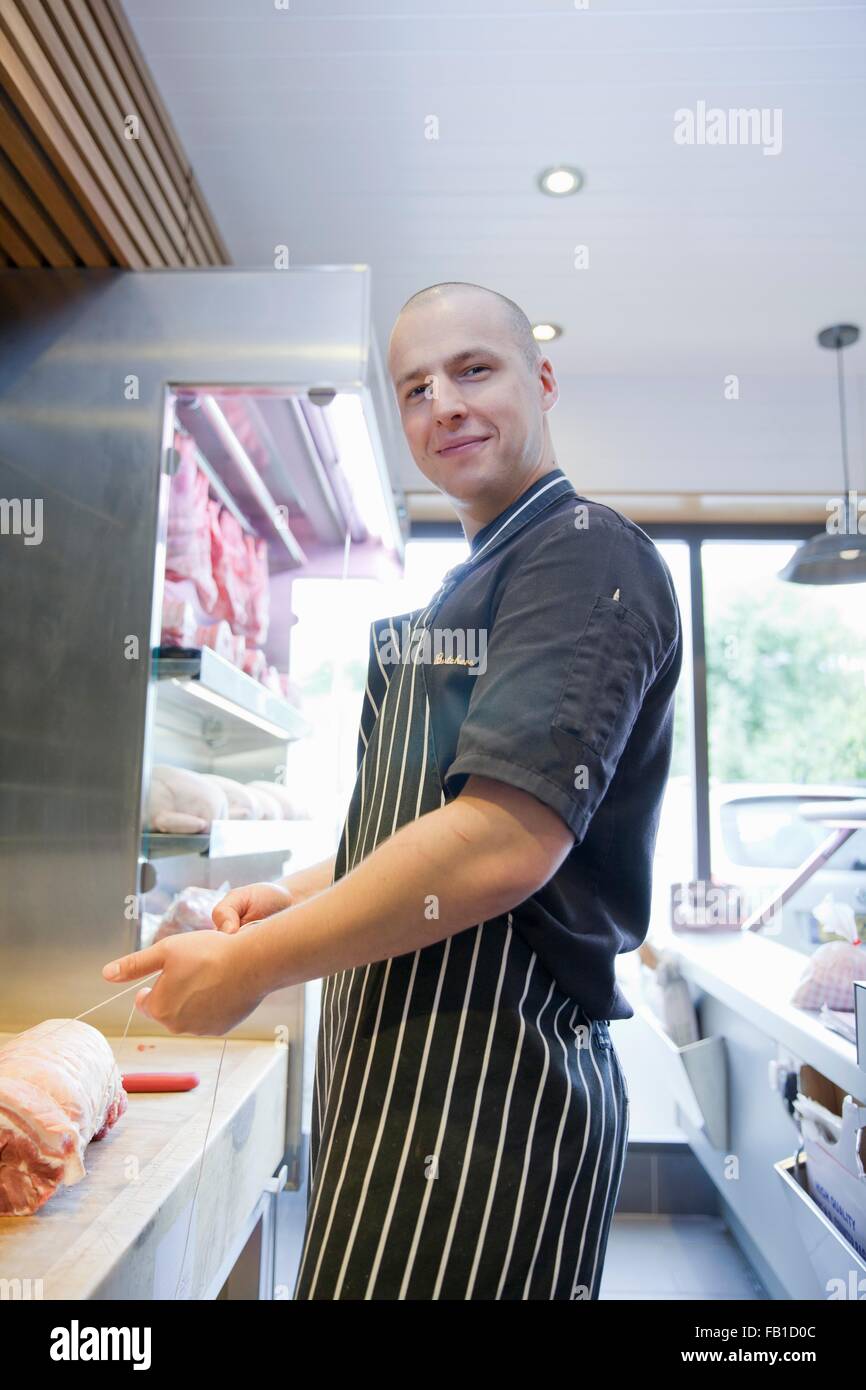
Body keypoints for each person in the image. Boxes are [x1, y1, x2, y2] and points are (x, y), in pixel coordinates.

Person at [104, 281, 682, 1300]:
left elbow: (498, 840)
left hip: (489, 1096)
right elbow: (419, 830)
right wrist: (289, 895)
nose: (442, 405)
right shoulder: (475, 580)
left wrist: (250, 965)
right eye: (414, 388)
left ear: (540, 381)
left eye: (472, 370)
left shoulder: (581, 553)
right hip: (404, 1077)